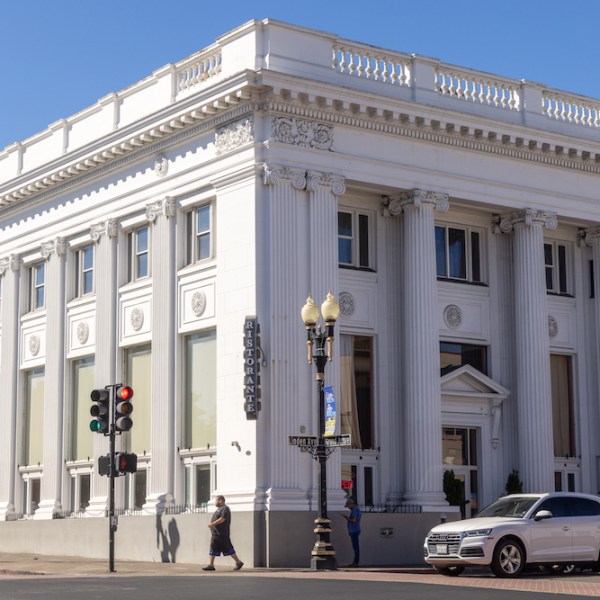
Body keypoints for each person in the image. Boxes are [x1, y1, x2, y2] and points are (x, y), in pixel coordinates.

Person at [202, 495, 244, 571]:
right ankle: (211, 565)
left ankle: (238, 562)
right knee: (213, 548)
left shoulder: (225, 508)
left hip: (222, 534)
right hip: (215, 533)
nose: (215, 502)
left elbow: (223, 518)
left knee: (228, 548)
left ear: (221, 500)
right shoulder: (218, 509)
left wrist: (213, 524)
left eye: (216, 500)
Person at [342, 498, 361, 567]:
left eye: (348, 506)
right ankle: (356, 562)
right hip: (354, 530)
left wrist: (346, 518)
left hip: (354, 531)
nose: (348, 508)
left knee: (356, 547)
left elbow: (353, 520)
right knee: (356, 547)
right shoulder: (356, 509)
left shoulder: (355, 510)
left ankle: (356, 562)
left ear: (351, 504)